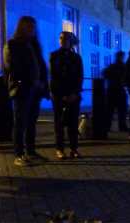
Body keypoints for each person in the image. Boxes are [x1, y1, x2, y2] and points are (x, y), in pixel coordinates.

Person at [3, 16, 49, 166]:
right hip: (22, 89)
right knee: (20, 122)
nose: (32, 30)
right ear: (22, 27)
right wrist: (29, 81)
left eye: (33, 27)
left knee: (31, 122)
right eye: (29, 27)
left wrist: (43, 83)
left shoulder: (34, 45)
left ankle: (31, 151)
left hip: (35, 90)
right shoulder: (13, 44)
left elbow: (41, 66)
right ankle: (19, 154)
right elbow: (13, 68)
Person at [49, 31, 83, 160]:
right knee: (59, 123)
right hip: (59, 95)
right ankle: (60, 149)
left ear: (70, 41)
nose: (62, 40)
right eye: (60, 38)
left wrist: (75, 93)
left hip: (73, 95)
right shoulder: (54, 55)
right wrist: (60, 94)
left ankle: (74, 149)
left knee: (73, 123)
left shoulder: (76, 57)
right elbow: (53, 76)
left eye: (65, 38)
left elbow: (79, 76)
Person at [103, 51, 128, 132]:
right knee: (122, 111)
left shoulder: (112, 66)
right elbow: (127, 78)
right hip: (120, 90)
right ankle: (122, 126)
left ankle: (107, 126)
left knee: (109, 111)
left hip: (111, 90)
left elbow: (104, 73)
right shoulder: (124, 67)